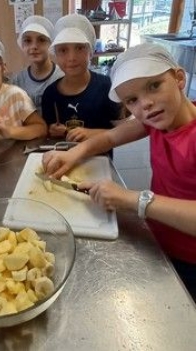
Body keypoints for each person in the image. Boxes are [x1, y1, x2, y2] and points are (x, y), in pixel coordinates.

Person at [42, 43, 196, 300]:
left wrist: (131, 199)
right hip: (159, 241)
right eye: (132, 100)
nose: (145, 104)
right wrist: (72, 154)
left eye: (154, 85)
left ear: (179, 78)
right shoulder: (156, 119)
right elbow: (111, 137)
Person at [41, 13, 121, 143]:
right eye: (63, 50)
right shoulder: (50, 94)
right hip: (62, 158)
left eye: (79, 48)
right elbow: (47, 134)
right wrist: (52, 131)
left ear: (91, 50)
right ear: (55, 54)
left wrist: (91, 133)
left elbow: (122, 132)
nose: (72, 57)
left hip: (99, 159)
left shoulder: (106, 86)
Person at [11, 15, 64, 116]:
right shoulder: (18, 81)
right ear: (22, 45)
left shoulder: (61, 77)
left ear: (51, 43)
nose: (34, 46)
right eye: (28, 41)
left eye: (41, 40)